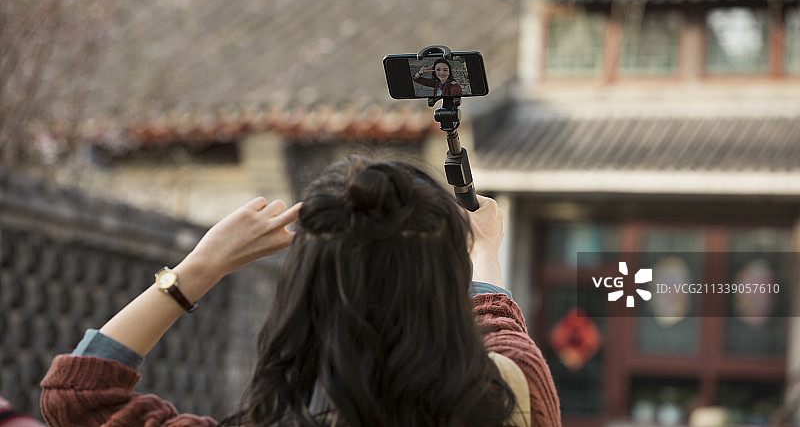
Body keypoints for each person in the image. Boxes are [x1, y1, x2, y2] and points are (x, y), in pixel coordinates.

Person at [40, 157, 560, 427]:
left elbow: (80, 399)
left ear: (302, 297)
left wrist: (200, 266)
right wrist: (482, 248)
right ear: (445, 288)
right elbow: (499, 323)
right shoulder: (517, 398)